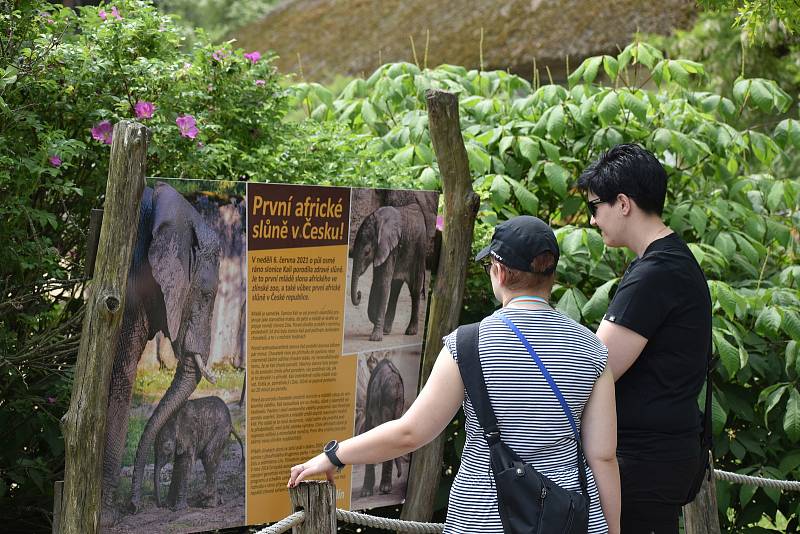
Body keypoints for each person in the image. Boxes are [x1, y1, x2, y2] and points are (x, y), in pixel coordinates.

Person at [288, 216, 620, 534]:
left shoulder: (468, 343)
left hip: (484, 519)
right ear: (551, 275)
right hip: (568, 519)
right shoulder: (592, 348)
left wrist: (334, 455)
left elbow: (410, 433)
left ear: (499, 272)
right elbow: (602, 456)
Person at [577, 144, 712, 534]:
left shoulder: (655, 272)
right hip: (664, 455)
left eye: (594, 207)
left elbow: (595, 368)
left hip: (645, 463)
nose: (592, 221)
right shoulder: (672, 260)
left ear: (622, 203)